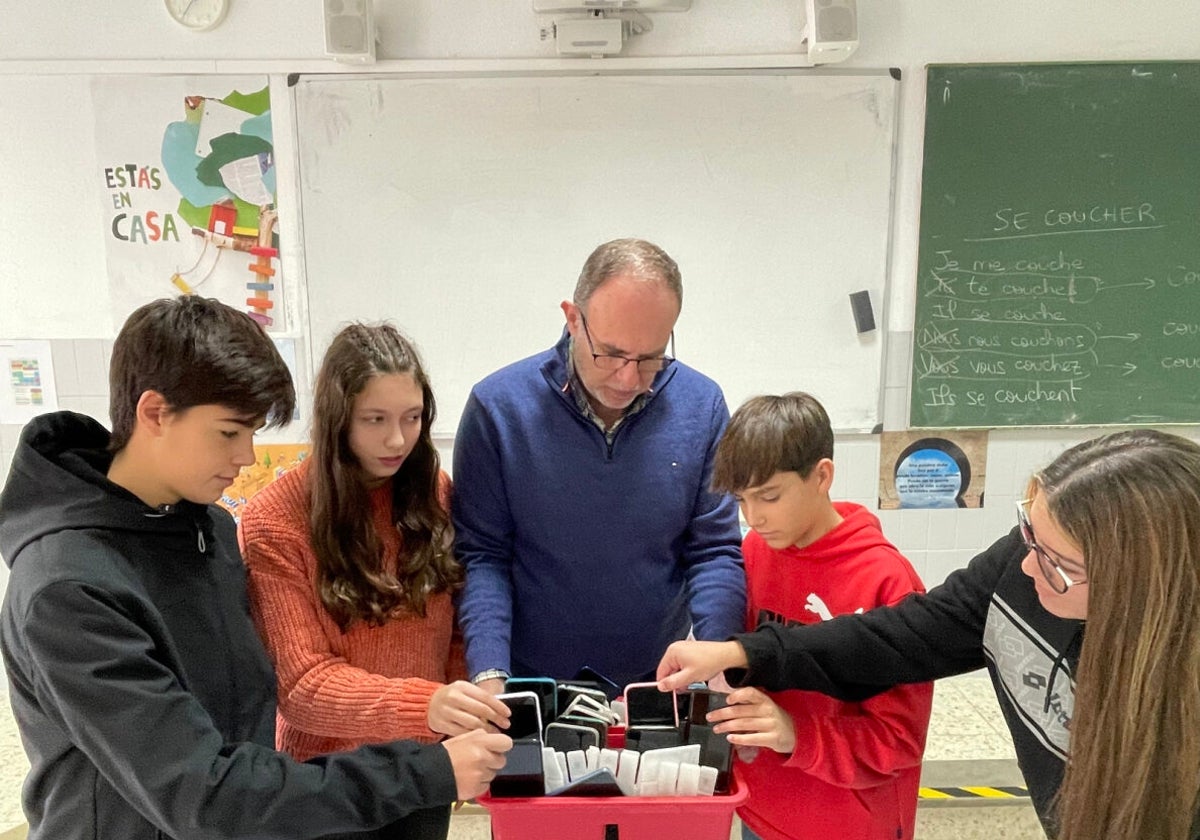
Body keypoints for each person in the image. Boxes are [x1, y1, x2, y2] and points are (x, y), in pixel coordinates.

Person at [0, 296, 511, 840]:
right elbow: (204, 792)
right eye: (228, 432)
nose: (247, 456)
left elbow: (241, 734)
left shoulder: (208, 530)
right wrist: (426, 769)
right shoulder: (68, 589)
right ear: (154, 413)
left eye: (253, 432)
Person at [658, 429, 1200, 840]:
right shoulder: (1020, 566)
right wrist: (739, 652)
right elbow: (898, 636)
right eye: (1029, 533)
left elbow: (892, 737)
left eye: (1059, 563)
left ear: (1145, 590)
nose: (1029, 571)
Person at [239, 323, 510, 840]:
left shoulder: (434, 493)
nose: (397, 439)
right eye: (375, 420)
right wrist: (427, 706)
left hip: (424, 770)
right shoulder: (274, 521)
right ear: (337, 420)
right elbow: (302, 685)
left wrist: (461, 711)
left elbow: (457, 625)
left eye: (412, 419)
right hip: (327, 783)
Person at [453, 237, 746, 690]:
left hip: (656, 684)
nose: (628, 378)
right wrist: (490, 674)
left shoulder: (701, 406)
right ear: (573, 319)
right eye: (610, 353)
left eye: (649, 358)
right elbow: (483, 557)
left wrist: (721, 662)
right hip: (529, 683)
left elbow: (713, 551)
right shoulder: (499, 409)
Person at [709, 392, 931, 840]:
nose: (754, 518)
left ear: (822, 476)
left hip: (848, 823)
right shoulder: (755, 551)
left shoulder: (887, 581)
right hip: (762, 810)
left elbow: (899, 741)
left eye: (769, 496)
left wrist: (796, 733)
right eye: (742, 501)